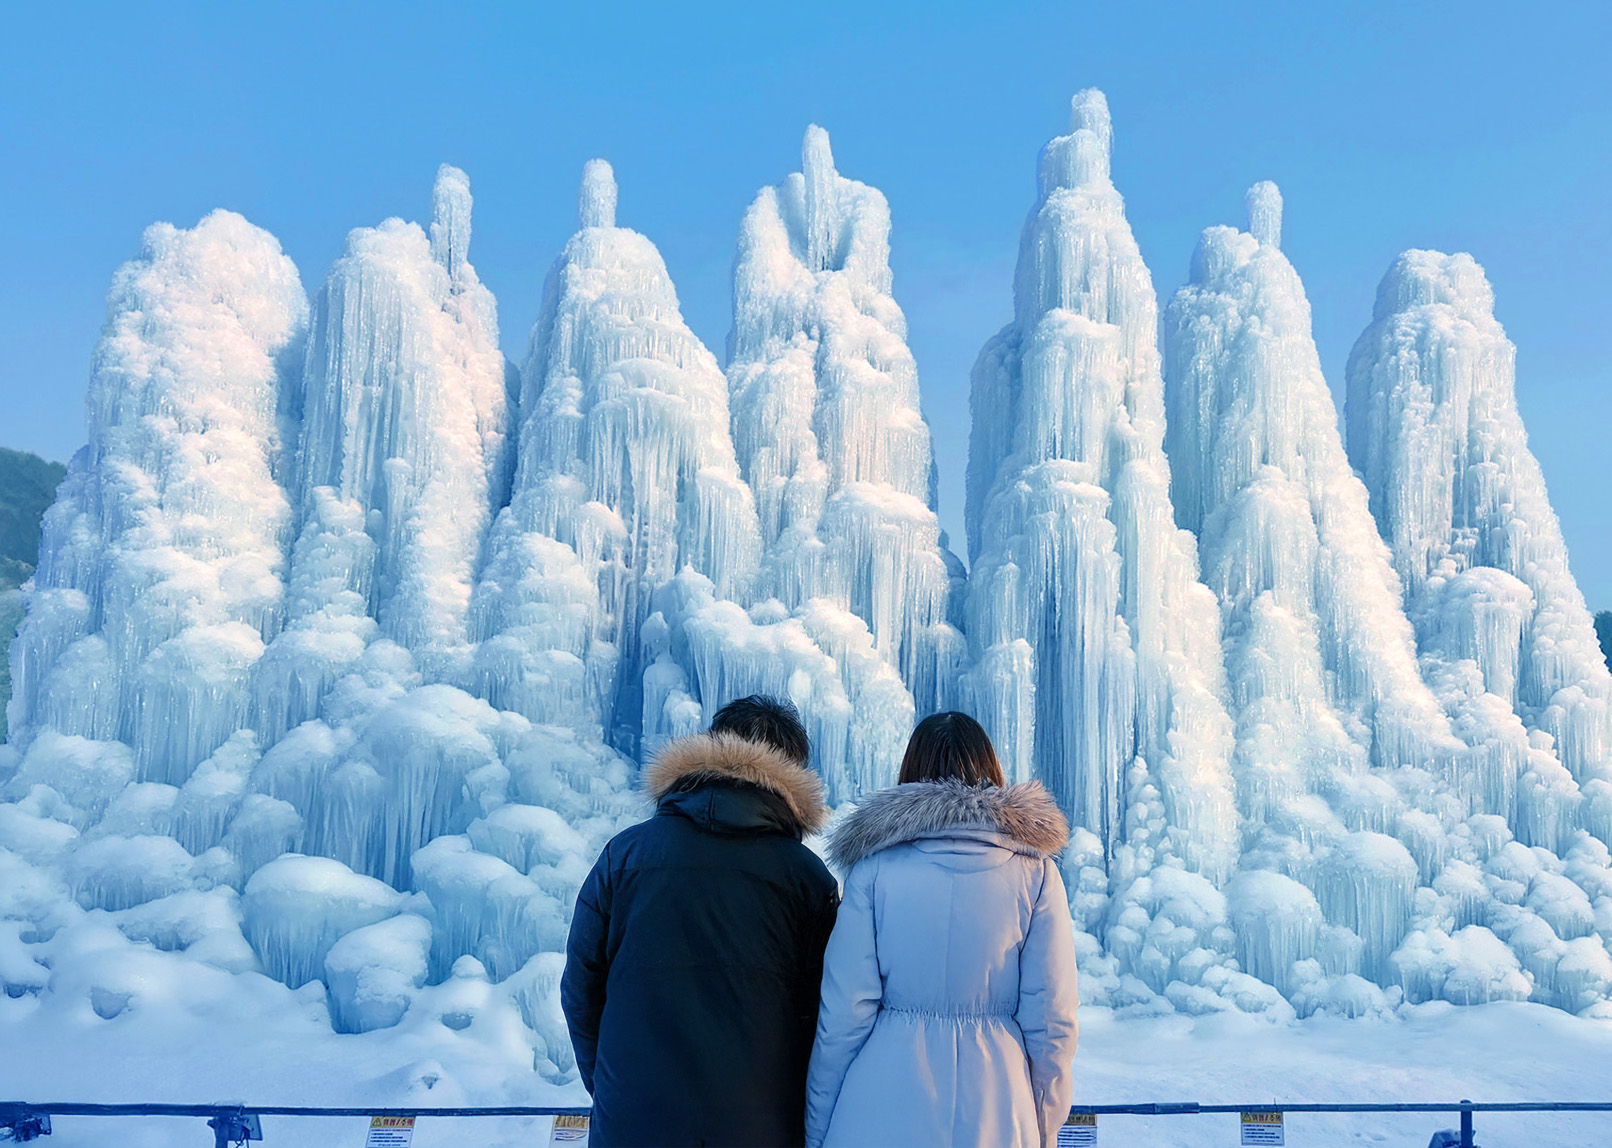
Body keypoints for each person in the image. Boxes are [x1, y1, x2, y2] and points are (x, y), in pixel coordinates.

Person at [561, 695, 840, 1147]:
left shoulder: (625, 856)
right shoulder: (808, 879)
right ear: (793, 774)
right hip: (759, 1129)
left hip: (632, 1120)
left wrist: (613, 1089)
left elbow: (581, 990)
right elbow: (826, 1016)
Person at [805, 711, 1079, 1148]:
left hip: (880, 1106)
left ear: (910, 774)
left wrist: (818, 1129)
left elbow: (843, 1017)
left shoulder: (873, 871)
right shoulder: (1036, 876)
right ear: (991, 772)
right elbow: (1052, 1023)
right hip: (999, 1106)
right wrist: (1042, 1129)